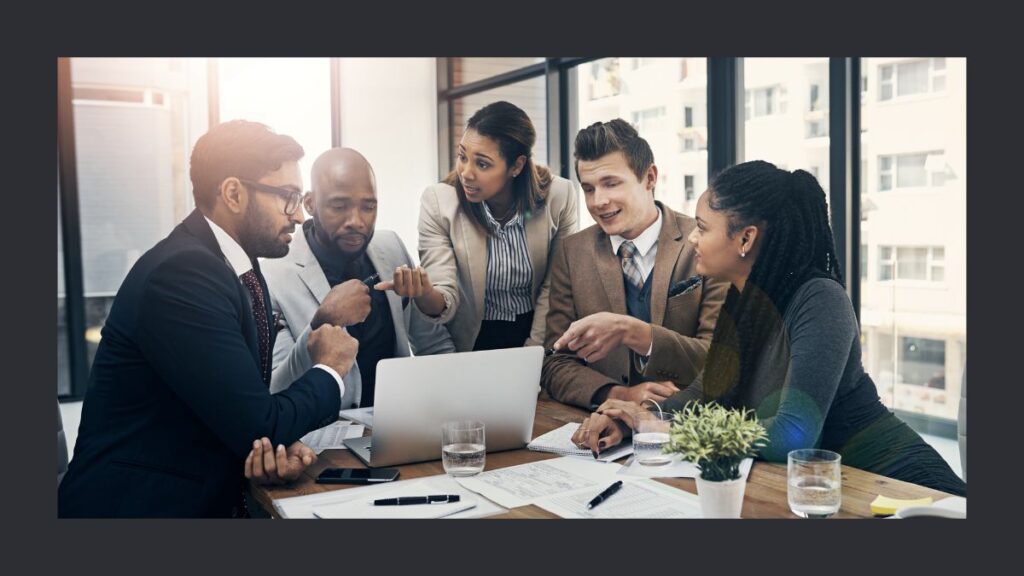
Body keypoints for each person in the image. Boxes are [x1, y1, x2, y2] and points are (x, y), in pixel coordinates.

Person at [575, 160, 966, 496]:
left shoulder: (819, 299)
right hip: (820, 486)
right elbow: (706, 393)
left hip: (898, 483)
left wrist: (665, 430)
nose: (692, 237)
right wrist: (636, 417)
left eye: (703, 228)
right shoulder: (743, 300)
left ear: (746, 238)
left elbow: (792, 434)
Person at [58, 120, 367, 517]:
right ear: (234, 193)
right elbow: (261, 422)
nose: (297, 215)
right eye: (288, 197)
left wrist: (269, 448)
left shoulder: (236, 266)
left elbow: (243, 411)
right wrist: (330, 368)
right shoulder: (182, 274)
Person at [541, 119, 728, 412]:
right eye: (588, 189)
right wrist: (619, 395)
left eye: (611, 183)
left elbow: (721, 358)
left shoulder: (705, 243)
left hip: (689, 422)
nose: (598, 201)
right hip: (602, 424)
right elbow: (555, 363)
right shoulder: (571, 252)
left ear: (650, 177)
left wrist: (635, 333)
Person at [264, 147, 456, 408]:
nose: (356, 221)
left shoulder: (391, 247)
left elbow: (434, 345)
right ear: (309, 203)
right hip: (324, 427)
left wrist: (455, 405)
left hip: (400, 420)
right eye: (339, 206)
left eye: (368, 206)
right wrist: (324, 320)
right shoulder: (272, 276)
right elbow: (277, 390)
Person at [389, 101, 579, 351]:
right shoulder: (439, 203)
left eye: (482, 164)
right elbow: (444, 295)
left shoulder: (559, 196)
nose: (466, 173)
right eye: (462, 157)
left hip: (541, 330)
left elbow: (555, 287)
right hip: (473, 339)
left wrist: (534, 351)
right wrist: (424, 294)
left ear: (517, 166)